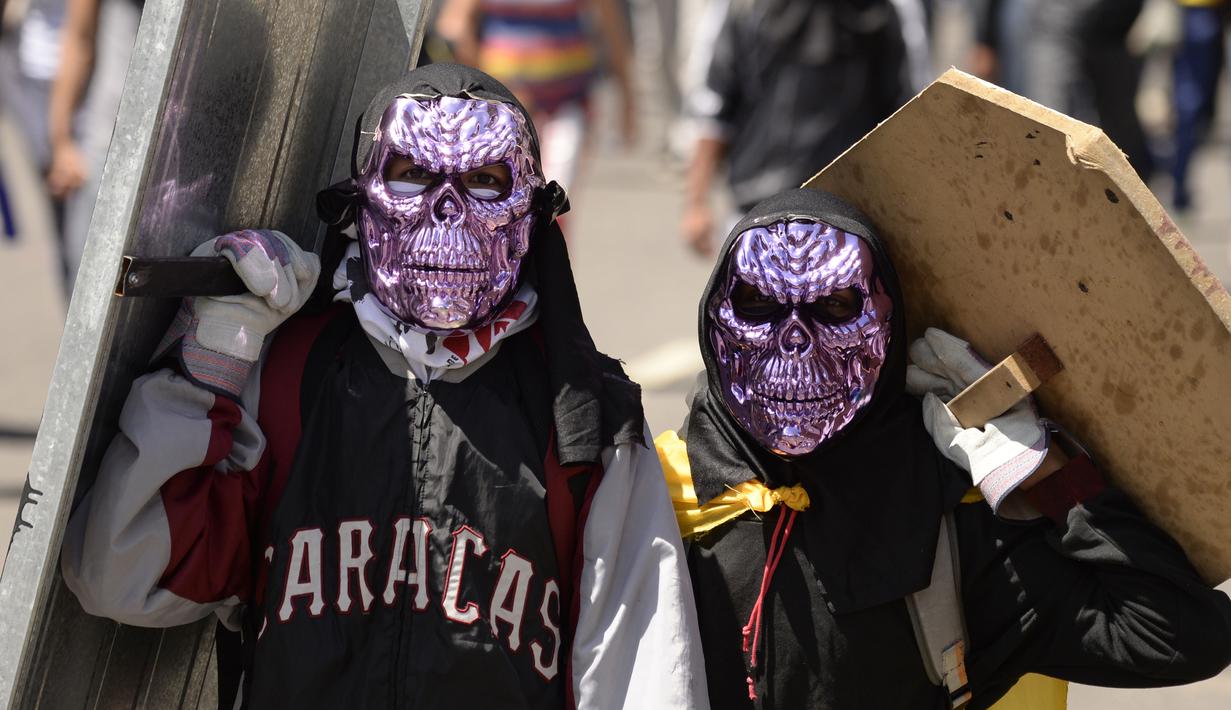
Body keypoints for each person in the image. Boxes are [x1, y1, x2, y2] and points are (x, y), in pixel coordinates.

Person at [60, 63, 707, 710]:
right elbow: (119, 574)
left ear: (531, 210)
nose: (446, 210)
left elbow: (644, 679)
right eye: (414, 175)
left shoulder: (588, 420)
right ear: (359, 196)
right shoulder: (284, 374)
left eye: (485, 181)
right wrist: (211, 351)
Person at [658, 187, 1231, 708]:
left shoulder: (948, 526)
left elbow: (1178, 634)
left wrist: (1050, 474)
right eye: (759, 303)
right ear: (715, 323)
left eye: (835, 308)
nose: (795, 341)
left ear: (889, 324)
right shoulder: (655, 495)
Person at [680, 0, 907, 256]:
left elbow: (907, 114)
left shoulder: (886, 10)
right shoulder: (740, 8)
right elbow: (712, 109)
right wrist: (696, 203)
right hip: (758, 221)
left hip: (850, 227)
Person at [435, 0, 635, 195]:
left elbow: (612, 29)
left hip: (567, 101)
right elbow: (454, 25)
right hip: (501, 108)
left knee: (557, 192)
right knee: (505, 195)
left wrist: (628, 95)